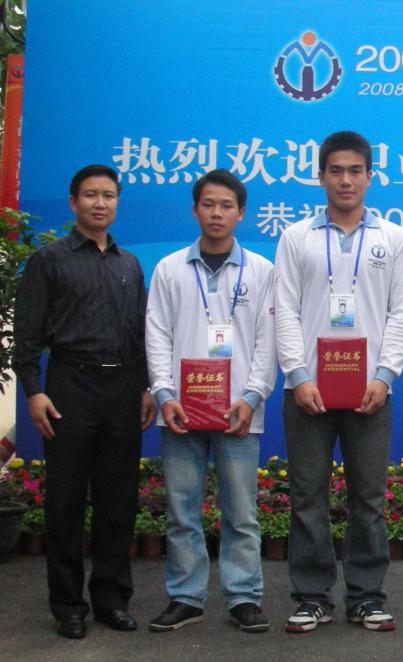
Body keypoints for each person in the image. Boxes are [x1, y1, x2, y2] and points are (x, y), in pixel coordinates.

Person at [275, 130, 403, 633]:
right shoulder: (296, 238)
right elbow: (285, 310)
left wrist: (385, 374)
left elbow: (400, 313)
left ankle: (367, 596)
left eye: (355, 171)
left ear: (370, 177)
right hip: (306, 391)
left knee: (368, 499)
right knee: (307, 497)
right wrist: (297, 375)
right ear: (321, 177)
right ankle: (312, 596)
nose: (346, 180)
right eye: (336, 171)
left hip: (369, 393)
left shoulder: (393, 239)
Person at [13, 164, 156, 639]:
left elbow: (139, 333)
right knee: (66, 501)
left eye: (109, 195)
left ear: (117, 203)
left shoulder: (129, 264)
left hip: (122, 389)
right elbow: (27, 334)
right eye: (91, 195)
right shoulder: (49, 260)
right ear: (74, 202)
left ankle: (112, 600)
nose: (101, 203)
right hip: (68, 387)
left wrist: (146, 386)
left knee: (118, 500)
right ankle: (68, 605)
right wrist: (34, 390)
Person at [145, 169, 277, 633]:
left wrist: (253, 395)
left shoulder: (262, 271)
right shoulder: (169, 269)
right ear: (194, 209)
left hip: (238, 413)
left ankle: (244, 597)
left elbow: (267, 341)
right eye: (208, 204)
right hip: (180, 411)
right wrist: (163, 393)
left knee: (241, 513)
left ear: (241, 213)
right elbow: (157, 335)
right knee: (182, 510)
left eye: (226, 205)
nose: (216, 213)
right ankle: (186, 597)